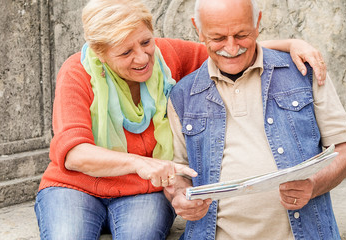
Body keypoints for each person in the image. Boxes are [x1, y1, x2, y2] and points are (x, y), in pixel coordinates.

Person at [34, 0, 329, 239]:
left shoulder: (167, 56)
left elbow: (225, 49)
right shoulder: (76, 71)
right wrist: (141, 163)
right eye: (125, 52)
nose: (142, 58)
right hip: (73, 187)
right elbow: (73, 154)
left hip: (142, 191)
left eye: (146, 42)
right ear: (100, 52)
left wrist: (291, 44)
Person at [165, 0, 346, 239]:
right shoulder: (182, 95)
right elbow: (177, 173)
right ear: (198, 29)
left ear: (257, 23)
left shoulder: (304, 71)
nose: (232, 47)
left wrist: (312, 185)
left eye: (241, 34)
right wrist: (181, 196)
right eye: (218, 38)